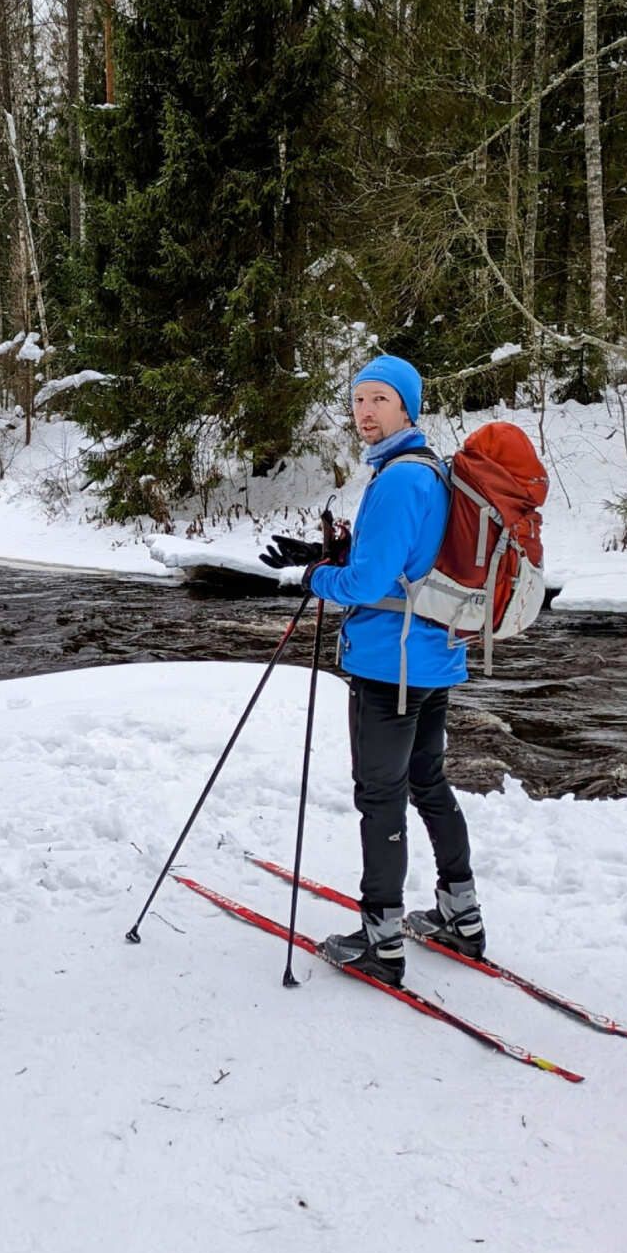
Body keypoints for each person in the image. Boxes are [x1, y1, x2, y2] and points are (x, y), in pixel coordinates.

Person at [260, 354, 484, 987]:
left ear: (408, 407)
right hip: (434, 656)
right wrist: (332, 552)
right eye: (358, 400)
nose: (365, 411)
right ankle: (461, 919)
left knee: (380, 797)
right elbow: (402, 558)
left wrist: (314, 574)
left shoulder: (398, 480)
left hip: (392, 665)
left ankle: (381, 941)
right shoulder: (430, 472)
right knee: (428, 784)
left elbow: (365, 583)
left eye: (380, 399)